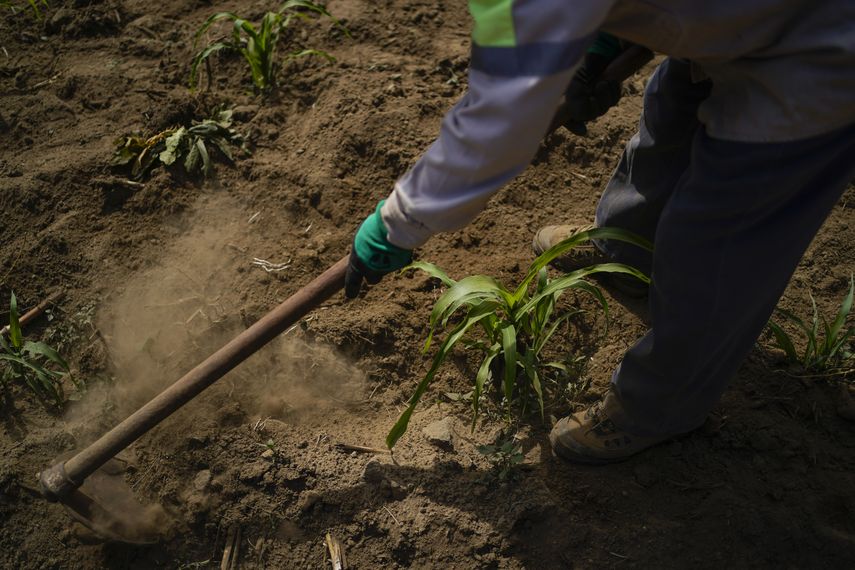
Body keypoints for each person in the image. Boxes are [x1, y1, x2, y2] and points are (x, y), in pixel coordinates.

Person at [343, 1, 855, 464]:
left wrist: (397, 225)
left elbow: (498, 125)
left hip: (820, 58)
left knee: (718, 241)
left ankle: (660, 406)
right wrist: (610, 35)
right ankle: (626, 255)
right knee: (667, 128)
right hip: (745, 18)